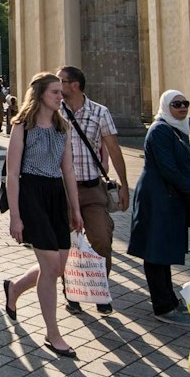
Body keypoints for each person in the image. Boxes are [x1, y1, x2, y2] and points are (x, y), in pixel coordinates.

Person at [0, 73, 85, 355]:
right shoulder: (22, 125)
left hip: (55, 195)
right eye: (55, 93)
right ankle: (53, 333)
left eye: (61, 92)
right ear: (39, 95)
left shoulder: (63, 126)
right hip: (31, 194)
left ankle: (14, 288)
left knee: (58, 266)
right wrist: (15, 216)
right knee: (51, 268)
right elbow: (12, 173)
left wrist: (75, 208)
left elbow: (68, 170)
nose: (61, 97)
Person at [59, 64, 131, 314]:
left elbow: (114, 149)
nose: (58, 85)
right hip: (63, 191)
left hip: (92, 188)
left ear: (75, 85)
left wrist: (124, 186)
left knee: (101, 239)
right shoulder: (54, 111)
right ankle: (72, 292)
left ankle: (100, 290)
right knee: (69, 243)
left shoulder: (100, 112)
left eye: (62, 81)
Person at [127, 90, 190, 317]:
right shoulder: (160, 130)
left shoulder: (178, 129)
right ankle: (162, 303)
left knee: (164, 248)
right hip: (158, 197)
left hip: (169, 196)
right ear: (166, 106)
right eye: (177, 104)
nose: (182, 107)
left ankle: (169, 297)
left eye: (185, 103)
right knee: (155, 249)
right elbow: (168, 168)